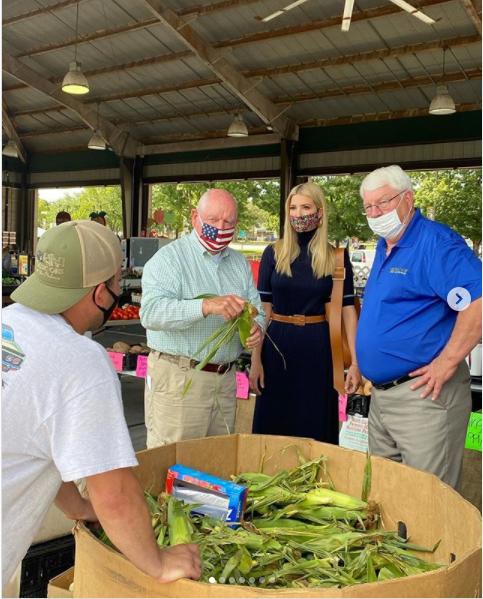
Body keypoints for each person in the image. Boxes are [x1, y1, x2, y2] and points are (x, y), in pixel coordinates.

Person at [2, 221, 201, 595]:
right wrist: (158, 562)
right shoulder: (80, 361)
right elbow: (113, 492)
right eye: (117, 286)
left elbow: (42, 441)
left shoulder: (7, 323)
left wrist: (76, 507)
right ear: (99, 293)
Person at [356, 165, 482, 490]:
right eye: (368, 207)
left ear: (407, 198)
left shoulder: (436, 243)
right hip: (382, 398)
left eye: (382, 203)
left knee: (427, 500)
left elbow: (478, 301)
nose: (375, 213)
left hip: (423, 398)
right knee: (387, 496)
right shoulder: (386, 246)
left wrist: (446, 362)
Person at [140, 188, 264, 448]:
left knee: (218, 461)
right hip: (180, 378)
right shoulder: (169, 259)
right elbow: (150, 313)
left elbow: (258, 311)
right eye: (213, 221)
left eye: (229, 222)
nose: (221, 228)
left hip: (226, 381)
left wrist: (256, 329)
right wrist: (205, 306)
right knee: (175, 463)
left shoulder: (239, 263)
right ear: (195, 217)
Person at [250, 182, 361, 443]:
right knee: (274, 424)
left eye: (306, 207)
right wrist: (256, 359)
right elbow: (263, 310)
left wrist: (355, 363)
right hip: (277, 346)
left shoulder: (336, 257)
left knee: (313, 424)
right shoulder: (273, 253)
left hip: (318, 348)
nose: (299, 214)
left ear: (320, 212)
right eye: (293, 207)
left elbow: (347, 311)